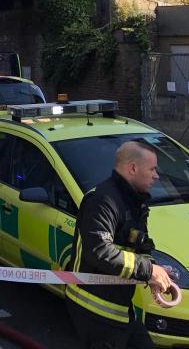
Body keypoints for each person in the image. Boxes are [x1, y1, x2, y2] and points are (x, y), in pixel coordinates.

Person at [66, 140, 173, 349]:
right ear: (133, 168)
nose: (156, 175)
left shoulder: (134, 201)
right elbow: (98, 251)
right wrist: (148, 271)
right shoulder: (102, 200)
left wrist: (156, 274)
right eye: (152, 169)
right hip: (94, 311)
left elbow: (140, 246)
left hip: (121, 310)